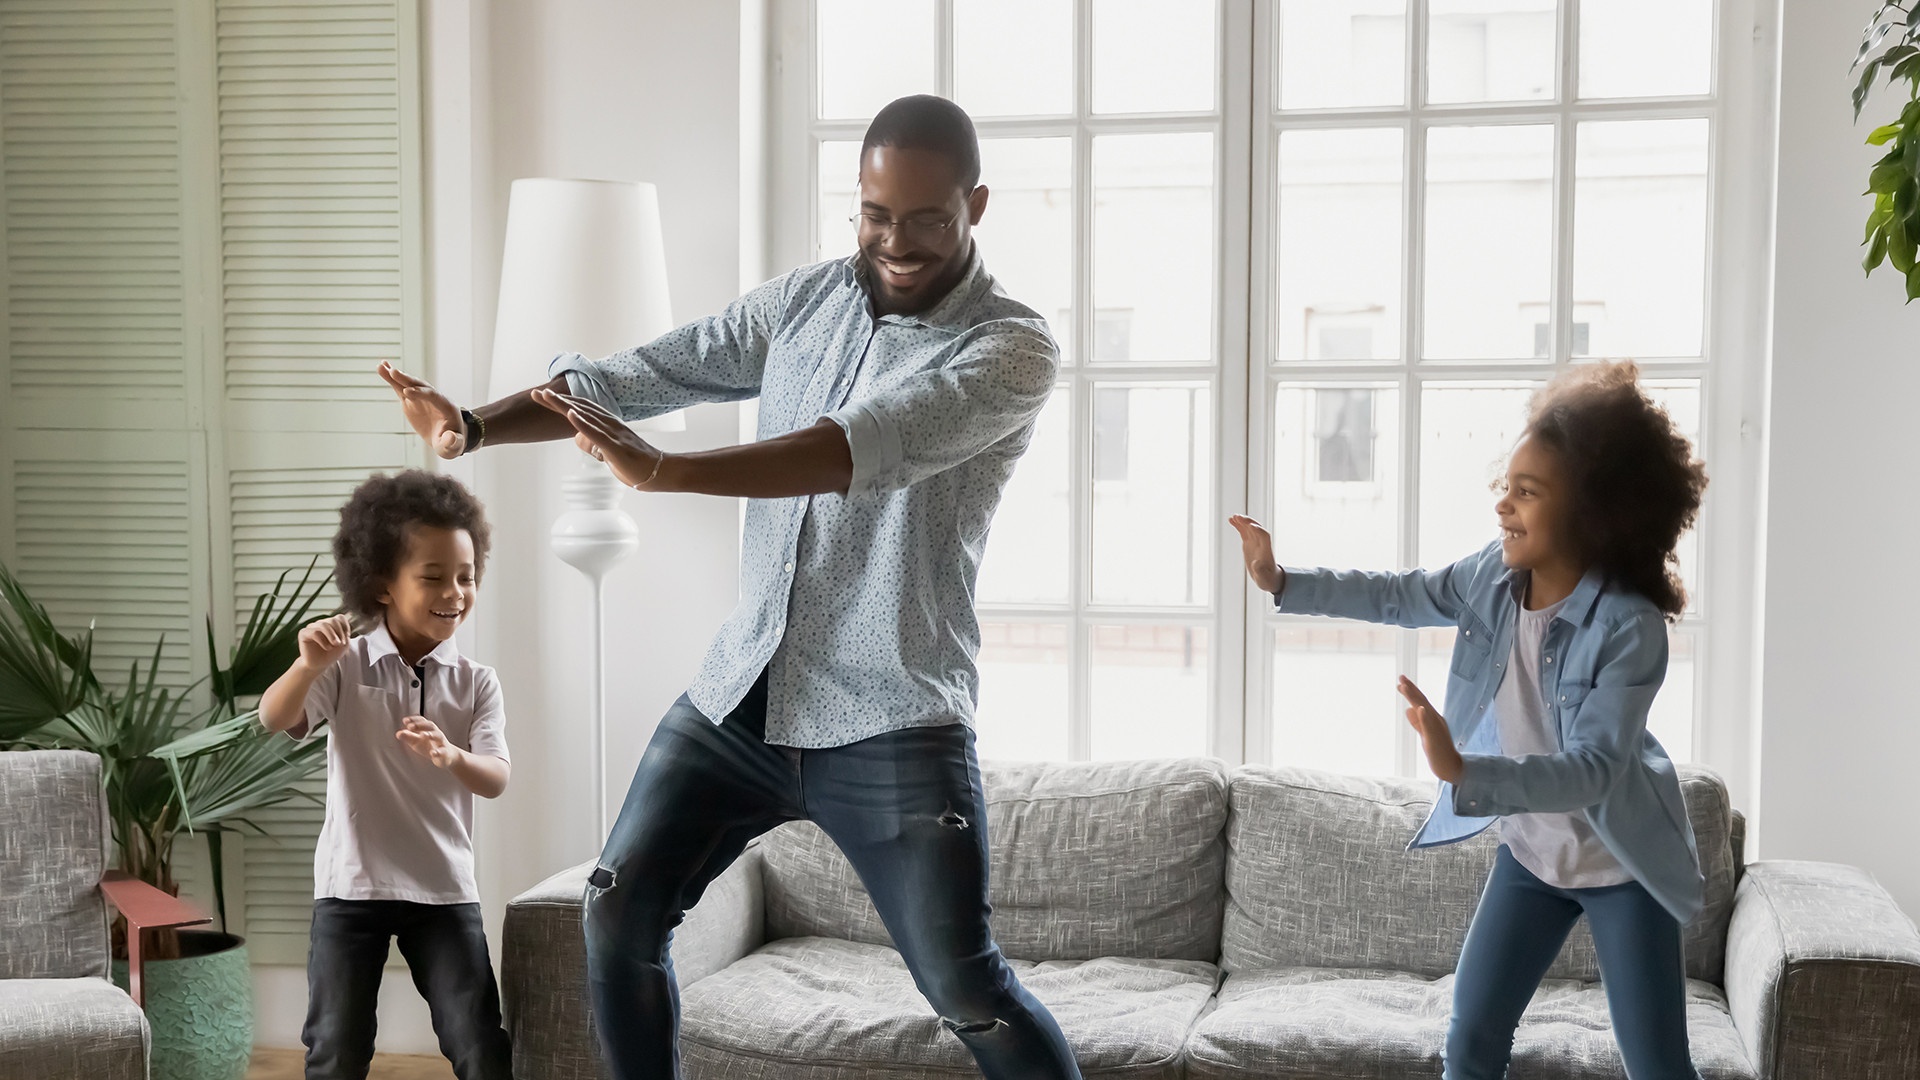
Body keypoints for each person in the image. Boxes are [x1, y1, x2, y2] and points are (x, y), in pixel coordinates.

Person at [377, 95, 1080, 1080]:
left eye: (928, 218)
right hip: (742, 696)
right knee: (617, 907)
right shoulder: (805, 301)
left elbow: (855, 448)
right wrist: (474, 428)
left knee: (966, 988)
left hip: (891, 715)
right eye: (878, 215)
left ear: (977, 205)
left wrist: (670, 474)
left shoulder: (1009, 348)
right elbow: (632, 379)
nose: (899, 241)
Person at [1229, 361, 1710, 1080]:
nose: (1503, 507)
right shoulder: (1491, 576)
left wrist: (1465, 772)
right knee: (1471, 1039)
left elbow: (1595, 769)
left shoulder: (1629, 628)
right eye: (1503, 488)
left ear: (1591, 509)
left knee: (1659, 1068)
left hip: (1621, 866)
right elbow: (1400, 596)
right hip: (1531, 857)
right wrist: (1283, 581)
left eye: (1527, 492)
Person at [260, 470, 513, 1080]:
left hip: (444, 887)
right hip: (353, 886)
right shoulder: (343, 664)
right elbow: (273, 716)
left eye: (466, 577)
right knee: (336, 1049)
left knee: (479, 1043)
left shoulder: (477, 681)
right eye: (432, 577)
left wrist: (451, 756)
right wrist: (305, 665)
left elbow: (496, 776)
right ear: (379, 585)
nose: (454, 592)